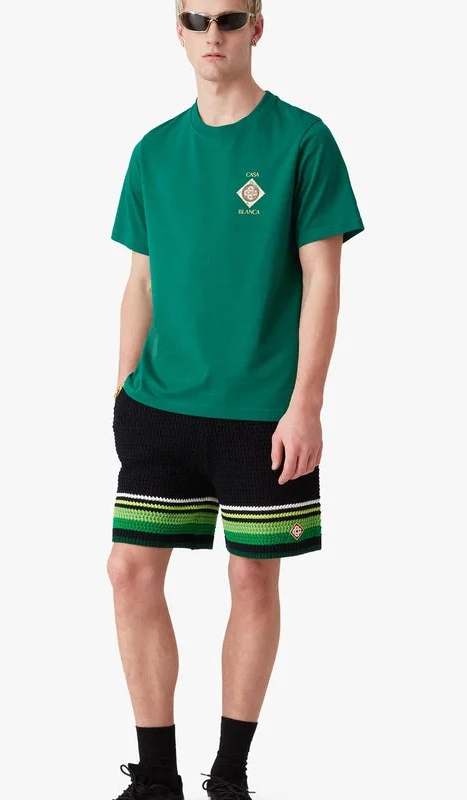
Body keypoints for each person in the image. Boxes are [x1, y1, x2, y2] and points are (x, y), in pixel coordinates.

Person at [107, 2, 364, 798]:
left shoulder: (303, 141)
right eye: (196, 19)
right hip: (161, 408)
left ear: (257, 27)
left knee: (253, 581)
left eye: (227, 18)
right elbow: (140, 281)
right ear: (177, 31)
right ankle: (157, 779)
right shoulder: (154, 151)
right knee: (129, 573)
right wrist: (121, 389)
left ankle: (228, 777)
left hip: (263, 414)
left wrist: (307, 403)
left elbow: (323, 277)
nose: (211, 34)